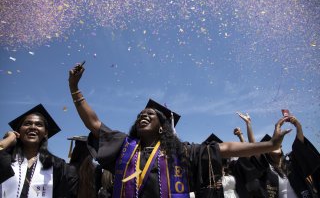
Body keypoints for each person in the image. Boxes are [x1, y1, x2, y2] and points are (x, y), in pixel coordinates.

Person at [68, 62, 291, 198]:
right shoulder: (125, 146)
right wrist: (75, 89)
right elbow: (95, 124)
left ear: (163, 126)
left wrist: (270, 145)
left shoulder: (181, 151)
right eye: (140, 115)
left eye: (150, 114)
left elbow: (226, 148)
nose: (143, 116)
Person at [0, 104, 78, 198]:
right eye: (27, 123)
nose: (33, 127)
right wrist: (8, 139)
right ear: (19, 131)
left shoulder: (57, 165)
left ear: (45, 133)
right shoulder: (5, 158)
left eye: (39, 124)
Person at [236, 111, 320, 198]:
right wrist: (248, 124)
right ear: (267, 151)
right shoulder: (267, 168)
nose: (277, 146)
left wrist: (298, 126)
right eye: (272, 146)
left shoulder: (291, 164)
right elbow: (254, 147)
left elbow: (300, 146)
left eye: (279, 145)